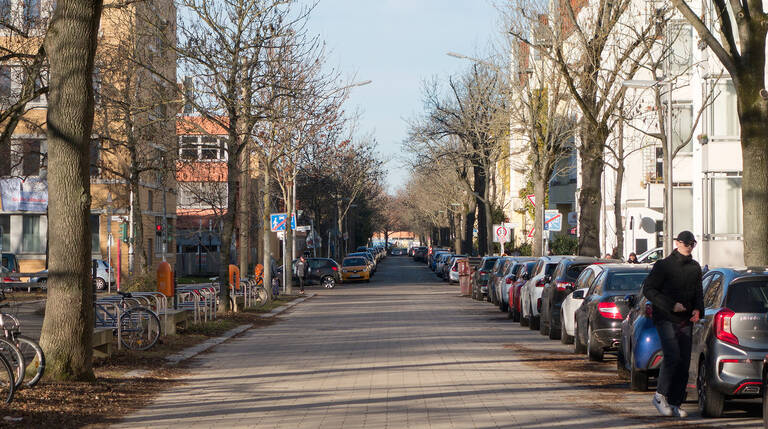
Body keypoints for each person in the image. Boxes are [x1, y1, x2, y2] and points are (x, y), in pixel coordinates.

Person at [642, 231, 703, 418]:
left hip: (685, 319)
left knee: (684, 361)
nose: (689, 247)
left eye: (692, 243)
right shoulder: (663, 266)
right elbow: (649, 290)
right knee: (672, 355)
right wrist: (670, 305)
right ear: (677, 243)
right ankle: (660, 396)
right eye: (685, 243)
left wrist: (698, 309)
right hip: (665, 317)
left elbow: (698, 292)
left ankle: (676, 402)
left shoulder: (694, 267)